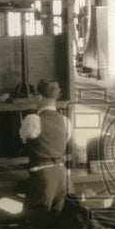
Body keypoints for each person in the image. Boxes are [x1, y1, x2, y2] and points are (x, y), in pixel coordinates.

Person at [19, 78, 73, 214]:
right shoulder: (65, 121)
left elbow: (24, 139)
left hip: (43, 176)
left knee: (37, 221)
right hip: (62, 175)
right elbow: (64, 142)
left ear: (40, 97)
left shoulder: (33, 120)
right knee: (61, 222)